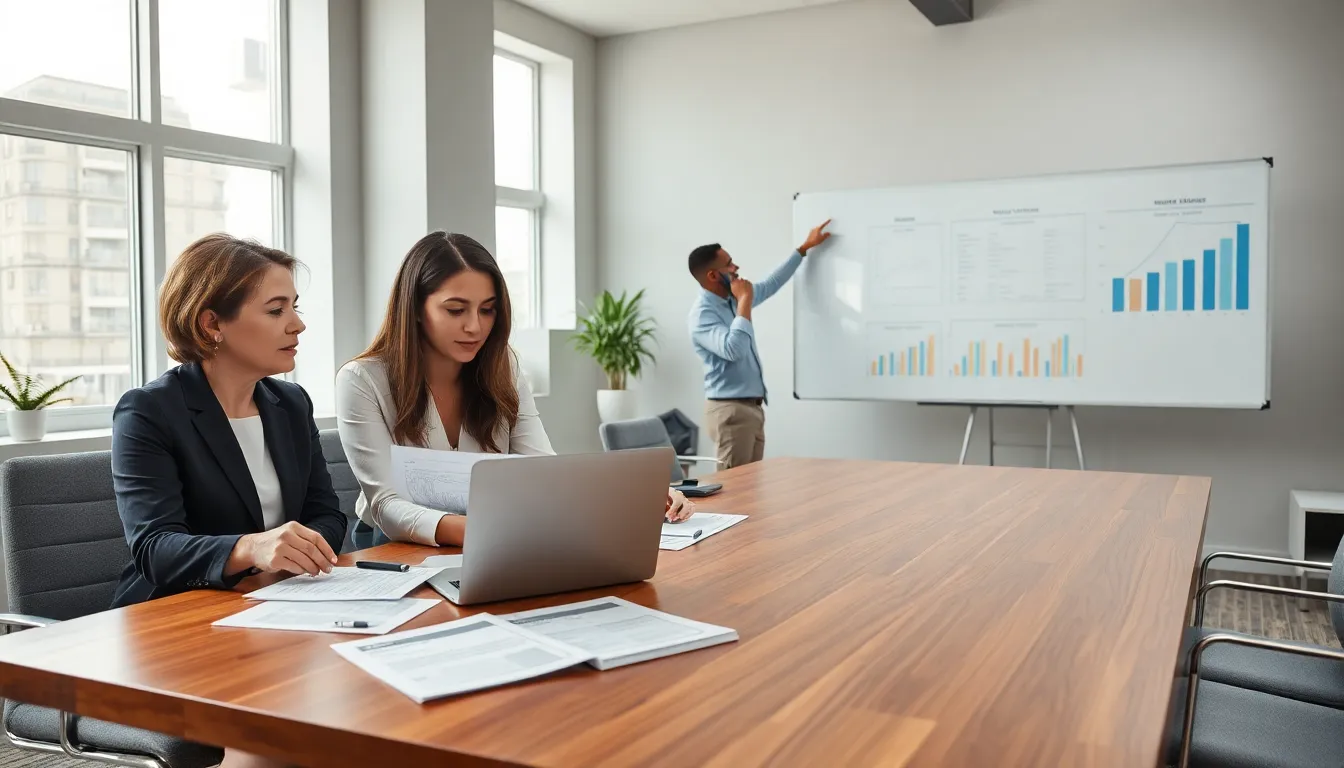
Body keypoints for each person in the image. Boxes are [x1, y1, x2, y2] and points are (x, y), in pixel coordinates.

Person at [110, 233, 348, 768]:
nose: (298, 324)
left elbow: (327, 514)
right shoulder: (149, 411)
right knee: (274, 730)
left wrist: (293, 559)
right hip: (176, 625)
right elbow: (154, 548)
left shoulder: (289, 403)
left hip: (280, 611)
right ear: (211, 324)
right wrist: (252, 552)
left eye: (296, 307)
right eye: (275, 309)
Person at [337, 231, 693, 548]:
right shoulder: (362, 380)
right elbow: (386, 504)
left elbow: (541, 467)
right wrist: (488, 531)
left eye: (488, 310)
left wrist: (631, 496)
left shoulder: (502, 365)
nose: (475, 327)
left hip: (498, 529)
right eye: (456, 309)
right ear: (415, 308)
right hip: (398, 541)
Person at [687, 220, 832, 468]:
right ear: (713, 275)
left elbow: (771, 284)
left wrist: (804, 248)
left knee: (750, 491)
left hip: (751, 409)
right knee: (733, 494)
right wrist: (744, 299)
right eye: (729, 264)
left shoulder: (731, 301)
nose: (736, 267)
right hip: (730, 411)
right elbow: (734, 349)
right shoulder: (702, 315)